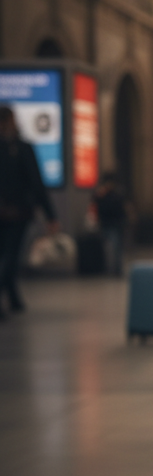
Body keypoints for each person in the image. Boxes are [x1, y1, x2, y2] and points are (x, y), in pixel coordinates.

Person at [0, 105, 60, 319]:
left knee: (7, 255)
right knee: (10, 255)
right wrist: (50, 215)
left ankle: (13, 297)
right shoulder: (23, 148)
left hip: (14, 212)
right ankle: (9, 296)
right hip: (18, 212)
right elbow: (36, 183)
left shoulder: (21, 148)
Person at [91, 172, 129, 276]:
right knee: (108, 249)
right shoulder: (100, 195)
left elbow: (121, 208)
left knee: (117, 248)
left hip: (115, 224)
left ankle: (117, 269)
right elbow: (95, 205)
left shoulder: (117, 194)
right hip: (105, 223)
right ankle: (109, 268)